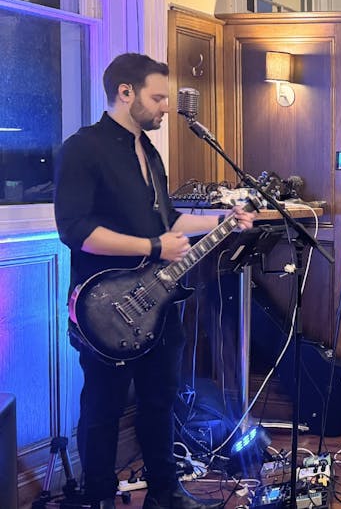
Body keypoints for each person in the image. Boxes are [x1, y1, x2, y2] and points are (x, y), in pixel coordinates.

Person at [55, 53, 256, 509]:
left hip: (159, 303)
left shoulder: (149, 151)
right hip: (103, 307)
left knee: (160, 400)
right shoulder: (83, 148)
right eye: (158, 97)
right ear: (125, 93)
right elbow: (76, 231)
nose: (167, 107)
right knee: (103, 408)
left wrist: (223, 219)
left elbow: (170, 222)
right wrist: (152, 247)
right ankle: (98, 498)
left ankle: (164, 493)